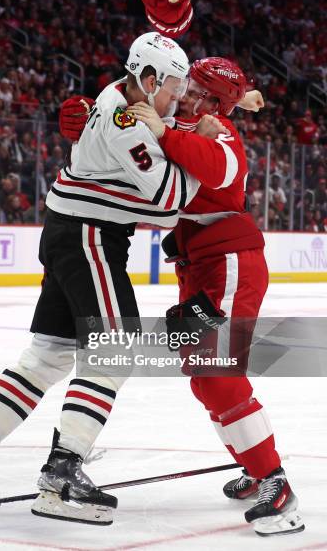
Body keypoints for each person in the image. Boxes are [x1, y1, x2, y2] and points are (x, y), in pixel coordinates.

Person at [0, 32, 200, 526]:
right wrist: (194, 142)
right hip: (87, 238)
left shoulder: (121, 97)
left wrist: (170, 126)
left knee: (50, 353)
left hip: (68, 231)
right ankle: (62, 473)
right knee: (117, 349)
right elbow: (169, 202)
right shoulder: (127, 123)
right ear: (148, 79)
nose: (177, 97)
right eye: (173, 86)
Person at [127, 57, 304, 537]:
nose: (184, 93)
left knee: (220, 375)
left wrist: (173, 132)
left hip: (231, 265)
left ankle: (275, 482)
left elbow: (220, 168)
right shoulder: (190, 119)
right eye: (185, 85)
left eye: (196, 89)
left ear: (214, 100)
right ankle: (254, 466)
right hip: (202, 267)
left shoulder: (220, 129)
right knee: (203, 379)